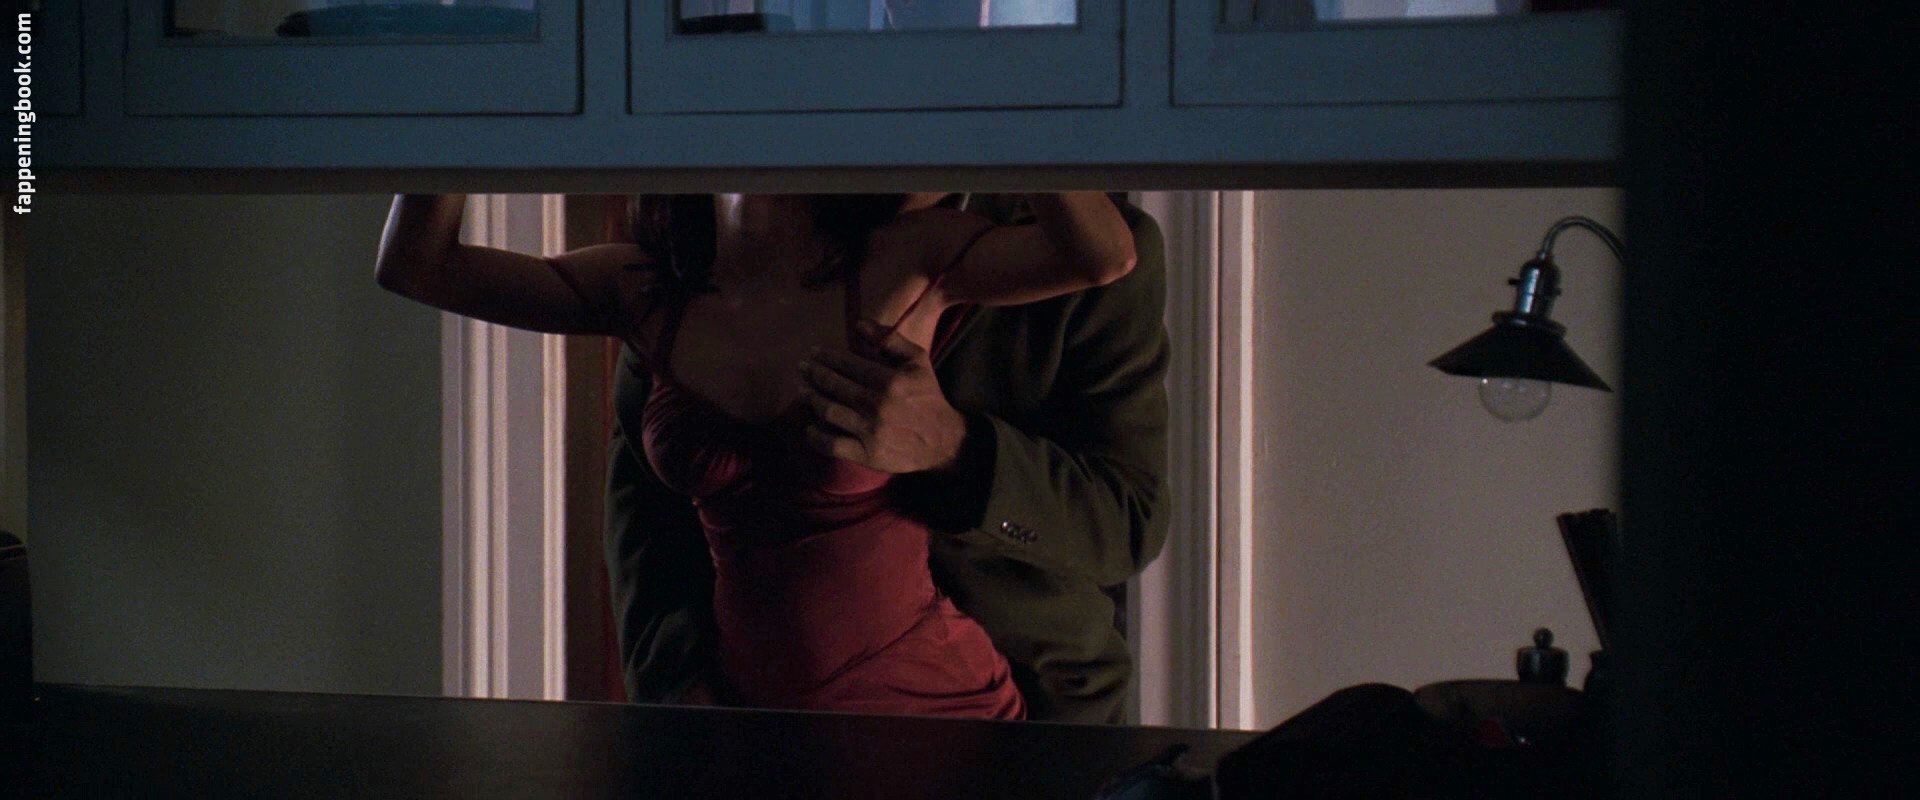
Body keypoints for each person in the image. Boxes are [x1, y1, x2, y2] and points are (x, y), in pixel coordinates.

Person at [376, 192, 1137, 719]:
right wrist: (467, 90)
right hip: (755, 731)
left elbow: (1101, 255)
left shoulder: (904, 257)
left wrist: (1011, 99)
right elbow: (416, 265)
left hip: (928, 714)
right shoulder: (647, 288)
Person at [608, 193, 1172, 723]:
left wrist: (956, 449)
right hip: (759, 711)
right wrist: (672, 680)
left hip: (1031, 711)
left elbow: (1127, 521)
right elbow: (644, 504)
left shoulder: (1081, 243)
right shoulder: (742, 229)